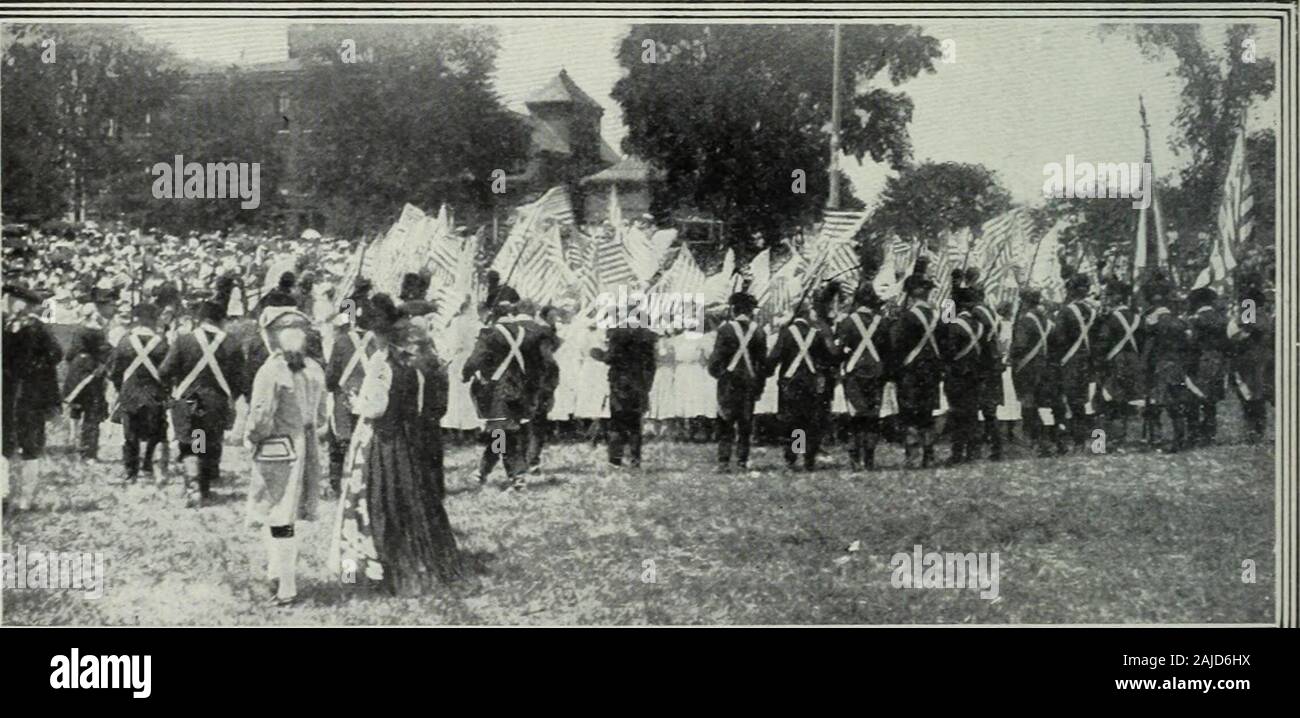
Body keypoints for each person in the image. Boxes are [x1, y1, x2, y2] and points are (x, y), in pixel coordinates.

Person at [333, 303, 464, 596]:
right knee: (410, 502)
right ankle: (425, 566)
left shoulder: (382, 363)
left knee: (370, 503)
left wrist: (356, 404)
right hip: (405, 441)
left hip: (380, 440)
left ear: (378, 335)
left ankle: (362, 573)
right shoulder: (410, 363)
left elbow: (376, 407)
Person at [245, 305, 327, 606]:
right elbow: (321, 417)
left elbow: (261, 417)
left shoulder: (270, 371)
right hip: (306, 447)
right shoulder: (315, 369)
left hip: (276, 449)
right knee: (286, 513)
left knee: (277, 515)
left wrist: (250, 438)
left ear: (273, 337)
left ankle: (286, 585)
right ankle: (276, 571)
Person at [463, 286, 554, 488]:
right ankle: (485, 472)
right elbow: (539, 364)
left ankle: (515, 476)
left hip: (497, 392)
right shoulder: (526, 334)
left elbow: (475, 360)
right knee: (506, 432)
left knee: (502, 433)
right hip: (520, 391)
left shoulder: (490, 334)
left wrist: (465, 374)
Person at [159, 298, 247, 506]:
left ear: (200, 319)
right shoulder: (232, 343)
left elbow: (164, 371)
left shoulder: (183, 340)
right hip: (215, 403)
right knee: (205, 444)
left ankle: (193, 488)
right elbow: (240, 381)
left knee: (191, 444)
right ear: (219, 320)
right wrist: (233, 399)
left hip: (188, 400)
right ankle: (204, 488)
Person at [3, 283, 63, 511]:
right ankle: (4, 493)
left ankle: (25, 499)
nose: (6, 304)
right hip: (7, 394)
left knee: (30, 446)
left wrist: (35, 369)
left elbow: (56, 354)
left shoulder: (37, 328)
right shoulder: (4, 325)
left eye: (9, 300)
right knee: (4, 444)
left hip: (29, 394)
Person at [766, 302, 836, 471]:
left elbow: (774, 357)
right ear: (805, 315)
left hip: (789, 384)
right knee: (809, 422)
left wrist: (766, 371)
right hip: (810, 384)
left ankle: (793, 457)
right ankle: (808, 459)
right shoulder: (815, 334)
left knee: (792, 422)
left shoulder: (786, 333)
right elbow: (827, 359)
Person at [591, 298, 658, 469]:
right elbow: (652, 363)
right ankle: (635, 459)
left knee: (617, 422)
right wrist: (647, 384)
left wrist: (597, 354)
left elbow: (610, 358)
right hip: (640, 382)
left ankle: (615, 460)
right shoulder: (648, 334)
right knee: (635, 423)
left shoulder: (617, 332)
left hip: (620, 382)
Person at [324, 289, 379, 494]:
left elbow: (330, 378)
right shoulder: (379, 342)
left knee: (338, 442)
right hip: (371, 397)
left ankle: (337, 485)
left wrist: (333, 388)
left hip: (346, 397)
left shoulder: (342, 341)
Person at [109, 303, 170, 485]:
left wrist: (121, 389)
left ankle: (131, 472)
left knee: (130, 434)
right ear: (153, 320)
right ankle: (150, 466)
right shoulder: (162, 344)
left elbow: (115, 371)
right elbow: (167, 372)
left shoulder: (125, 341)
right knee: (158, 433)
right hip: (154, 393)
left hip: (130, 393)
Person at [890, 257, 942, 469]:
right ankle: (929, 455)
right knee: (927, 414)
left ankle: (912, 456)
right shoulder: (938, 316)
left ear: (911, 293)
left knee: (909, 414)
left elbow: (896, 346)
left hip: (910, 372)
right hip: (931, 371)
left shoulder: (907, 318)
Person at [708, 292, 767, 472]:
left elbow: (715, 361)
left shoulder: (725, 330)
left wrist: (720, 375)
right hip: (749, 382)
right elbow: (762, 365)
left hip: (729, 382)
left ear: (733, 309)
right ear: (750, 310)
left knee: (725, 422)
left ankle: (723, 462)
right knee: (745, 423)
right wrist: (759, 387)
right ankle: (742, 460)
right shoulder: (759, 331)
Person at [833, 285, 888, 470]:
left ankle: (855, 460)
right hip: (876, 374)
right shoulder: (882, 322)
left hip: (854, 373)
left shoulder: (847, 323)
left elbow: (839, 351)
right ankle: (870, 459)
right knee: (872, 417)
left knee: (855, 417)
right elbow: (887, 350)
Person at [1045, 273, 1097, 454]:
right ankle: (1080, 442)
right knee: (1079, 403)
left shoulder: (1066, 312)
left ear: (1071, 291)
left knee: (1059, 402)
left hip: (1066, 362)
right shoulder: (1092, 312)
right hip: (1085, 362)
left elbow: (1057, 339)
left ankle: (1061, 443)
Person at [1140, 274, 1192, 453]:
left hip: (1157, 366)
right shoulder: (1178, 322)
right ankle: (1179, 438)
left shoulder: (1150, 323)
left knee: (1156, 404)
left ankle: (1155, 438)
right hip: (1176, 365)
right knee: (1175, 405)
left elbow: (1146, 349)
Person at [1091, 279, 1143, 450]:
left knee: (1103, 403)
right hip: (1132, 364)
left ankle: (1099, 444)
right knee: (1124, 403)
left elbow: (1103, 343)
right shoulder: (1138, 318)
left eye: (1109, 295)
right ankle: (1120, 441)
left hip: (1113, 363)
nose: (1107, 298)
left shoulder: (1110, 319)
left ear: (1117, 297)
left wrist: (1097, 362)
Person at [941, 279, 985, 465]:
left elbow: (948, 352)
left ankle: (957, 452)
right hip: (975, 375)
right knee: (972, 413)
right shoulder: (980, 325)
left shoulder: (954, 326)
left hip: (957, 375)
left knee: (958, 414)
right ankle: (973, 451)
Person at [62, 305, 113, 463]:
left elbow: (70, 354)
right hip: (92, 373)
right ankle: (89, 453)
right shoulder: (99, 332)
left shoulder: (79, 330)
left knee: (77, 407)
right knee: (92, 413)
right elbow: (105, 352)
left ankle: (72, 441)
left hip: (77, 372)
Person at [1227, 272, 1272, 443]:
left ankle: (1253, 431)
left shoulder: (1248, 302)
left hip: (1249, 355)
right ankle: (1256, 431)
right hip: (1262, 354)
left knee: (1250, 393)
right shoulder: (1260, 307)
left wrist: (1233, 337)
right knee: (1256, 393)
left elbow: (1247, 330)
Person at [966, 270, 1005, 461]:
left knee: (973, 408)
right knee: (990, 410)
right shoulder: (992, 313)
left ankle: (974, 450)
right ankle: (996, 448)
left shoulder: (975, 313)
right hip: (993, 364)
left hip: (980, 365)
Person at [1184, 287, 1229, 445]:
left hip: (1200, 360)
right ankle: (1209, 434)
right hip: (1218, 360)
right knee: (1211, 400)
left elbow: (1192, 343)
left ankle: (1194, 433)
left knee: (1193, 398)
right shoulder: (1222, 319)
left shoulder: (1195, 320)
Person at [526, 304, 563, 473]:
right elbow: (547, 358)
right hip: (541, 384)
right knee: (538, 424)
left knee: (530, 423)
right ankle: (532, 460)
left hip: (528, 382)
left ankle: (526, 459)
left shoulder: (531, 331)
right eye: (552, 316)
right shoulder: (545, 334)